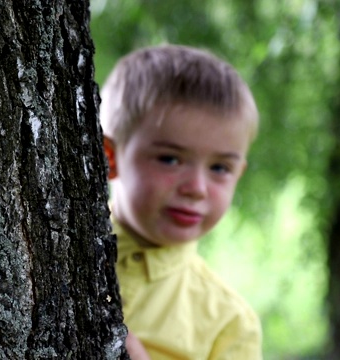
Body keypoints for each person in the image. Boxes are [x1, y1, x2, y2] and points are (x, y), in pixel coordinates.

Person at [100, 45, 262, 359]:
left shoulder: (230, 325)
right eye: (170, 159)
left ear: (238, 174)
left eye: (219, 168)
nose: (197, 188)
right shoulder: (42, 251)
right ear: (109, 157)